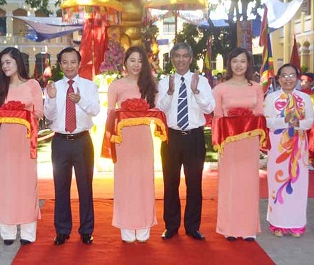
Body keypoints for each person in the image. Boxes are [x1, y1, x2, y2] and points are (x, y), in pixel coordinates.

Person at [156, 42, 215, 241]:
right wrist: (171, 92)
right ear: (172, 59)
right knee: (170, 183)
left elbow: (209, 108)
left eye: (185, 56)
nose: (181, 60)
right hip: (171, 138)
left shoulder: (202, 81)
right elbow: (159, 108)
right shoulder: (164, 82)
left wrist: (196, 91)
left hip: (194, 137)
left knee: (194, 183)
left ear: (190, 59)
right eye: (177, 56)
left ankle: (192, 227)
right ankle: (171, 226)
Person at [44, 47, 100, 245]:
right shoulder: (54, 87)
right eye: (65, 62)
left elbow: (95, 110)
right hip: (60, 142)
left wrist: (80, 100)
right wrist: (50, 98)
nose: (69, 65)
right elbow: (49, 116)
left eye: (73, 62)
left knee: (85, 187)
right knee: (61, 187)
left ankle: (86, 230)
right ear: (60, 65)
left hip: (82, 141)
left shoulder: (89, 86)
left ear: (79, 63)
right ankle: (62, 230)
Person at [0, 47, 43, 246]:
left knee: (26, 184)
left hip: (26, 139)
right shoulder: (0, 87)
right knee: (6, 183)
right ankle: (8, 230)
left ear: (18, 62)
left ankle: (28, 231)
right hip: (6, 140)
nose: (5, 66)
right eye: (2, 63)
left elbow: (38, 112)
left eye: (8, 62)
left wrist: (21, 112)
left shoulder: (32, 85)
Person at [212, 48, 264, 241]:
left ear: (248, 64)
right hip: (229, 142)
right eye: (235, 61)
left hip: (249, 141)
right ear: (229, 64)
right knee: (230, 183)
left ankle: (249, 228)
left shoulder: (256, 87)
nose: (239, 65)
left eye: (243, 61)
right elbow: (217, 117)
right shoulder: (220, 89)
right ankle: (229, 228)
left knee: (249, 183)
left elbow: (260, 115)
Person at [106, 46, 158, 242]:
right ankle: (126, 226)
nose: (136, 65)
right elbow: (111, 114)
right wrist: (111, 139)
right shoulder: (116, 86)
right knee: (126, 182)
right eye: (132, 60)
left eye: (140, 61)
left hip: (143, 137)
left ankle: (144, 225)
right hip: (123, 139)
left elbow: (156, 111)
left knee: (145, 180)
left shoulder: (150, 86)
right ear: (125, 62)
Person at [264, 64, 313, 237]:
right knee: (277, 184)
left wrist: (296, 123)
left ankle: (296, 225)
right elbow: (268, 121)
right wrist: (287, 121)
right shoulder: (271, 98)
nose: (288, 79)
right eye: (284, 75)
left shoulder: (305, 98)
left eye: (292, 75)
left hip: (299, 148)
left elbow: (309, 121)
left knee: (298, 184)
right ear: (278, 78)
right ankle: (277, 223)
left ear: (298, 78)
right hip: (277, 147)